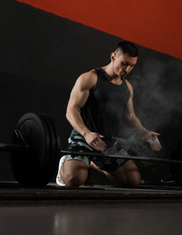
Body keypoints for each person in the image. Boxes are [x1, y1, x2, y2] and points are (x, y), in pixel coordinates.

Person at [56, 41, 162, 188]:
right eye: (124, 63)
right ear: (113, 56)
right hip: (83, 139)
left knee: (133, 181)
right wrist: (86, 133)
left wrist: (145, 133)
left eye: (132, 65)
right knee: (74, 180)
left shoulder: (127, 88)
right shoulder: (90, 78)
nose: (128, 69)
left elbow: (130, 117)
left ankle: (94, 163)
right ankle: (64, 165)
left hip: (108, 144)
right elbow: (71, 110)